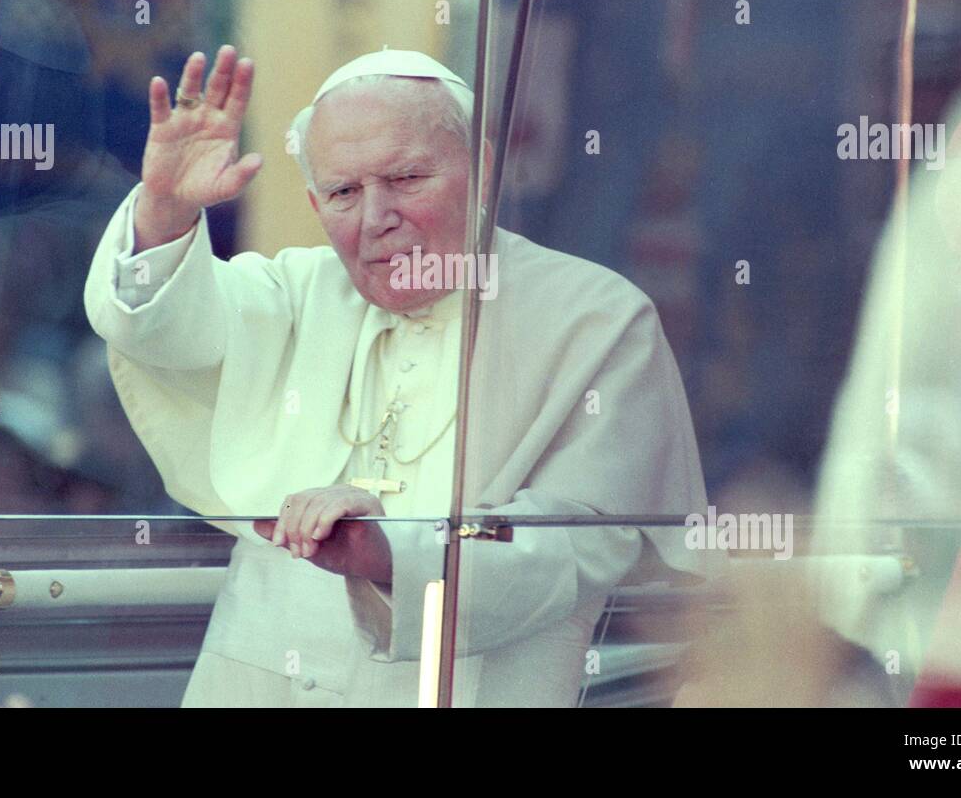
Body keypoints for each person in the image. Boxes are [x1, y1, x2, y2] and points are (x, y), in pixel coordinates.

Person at [83, 45, 711, 706]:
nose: (377, 218)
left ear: (484, 168)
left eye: (407, 178)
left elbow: (582, 540)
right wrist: (166, 209)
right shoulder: (294, 289)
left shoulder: (593, 317)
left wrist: (390, 553)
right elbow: (160, 324)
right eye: (344, 192)